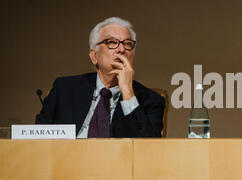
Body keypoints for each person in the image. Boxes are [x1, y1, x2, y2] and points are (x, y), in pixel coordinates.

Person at [36, 17, 165, 138]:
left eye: (127, 44)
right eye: (112, 42)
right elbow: (35, 139)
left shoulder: (151, 101)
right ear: (94, 56)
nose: (121, 49)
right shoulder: (64, 89)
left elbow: (149, 148)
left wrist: (127, 92)